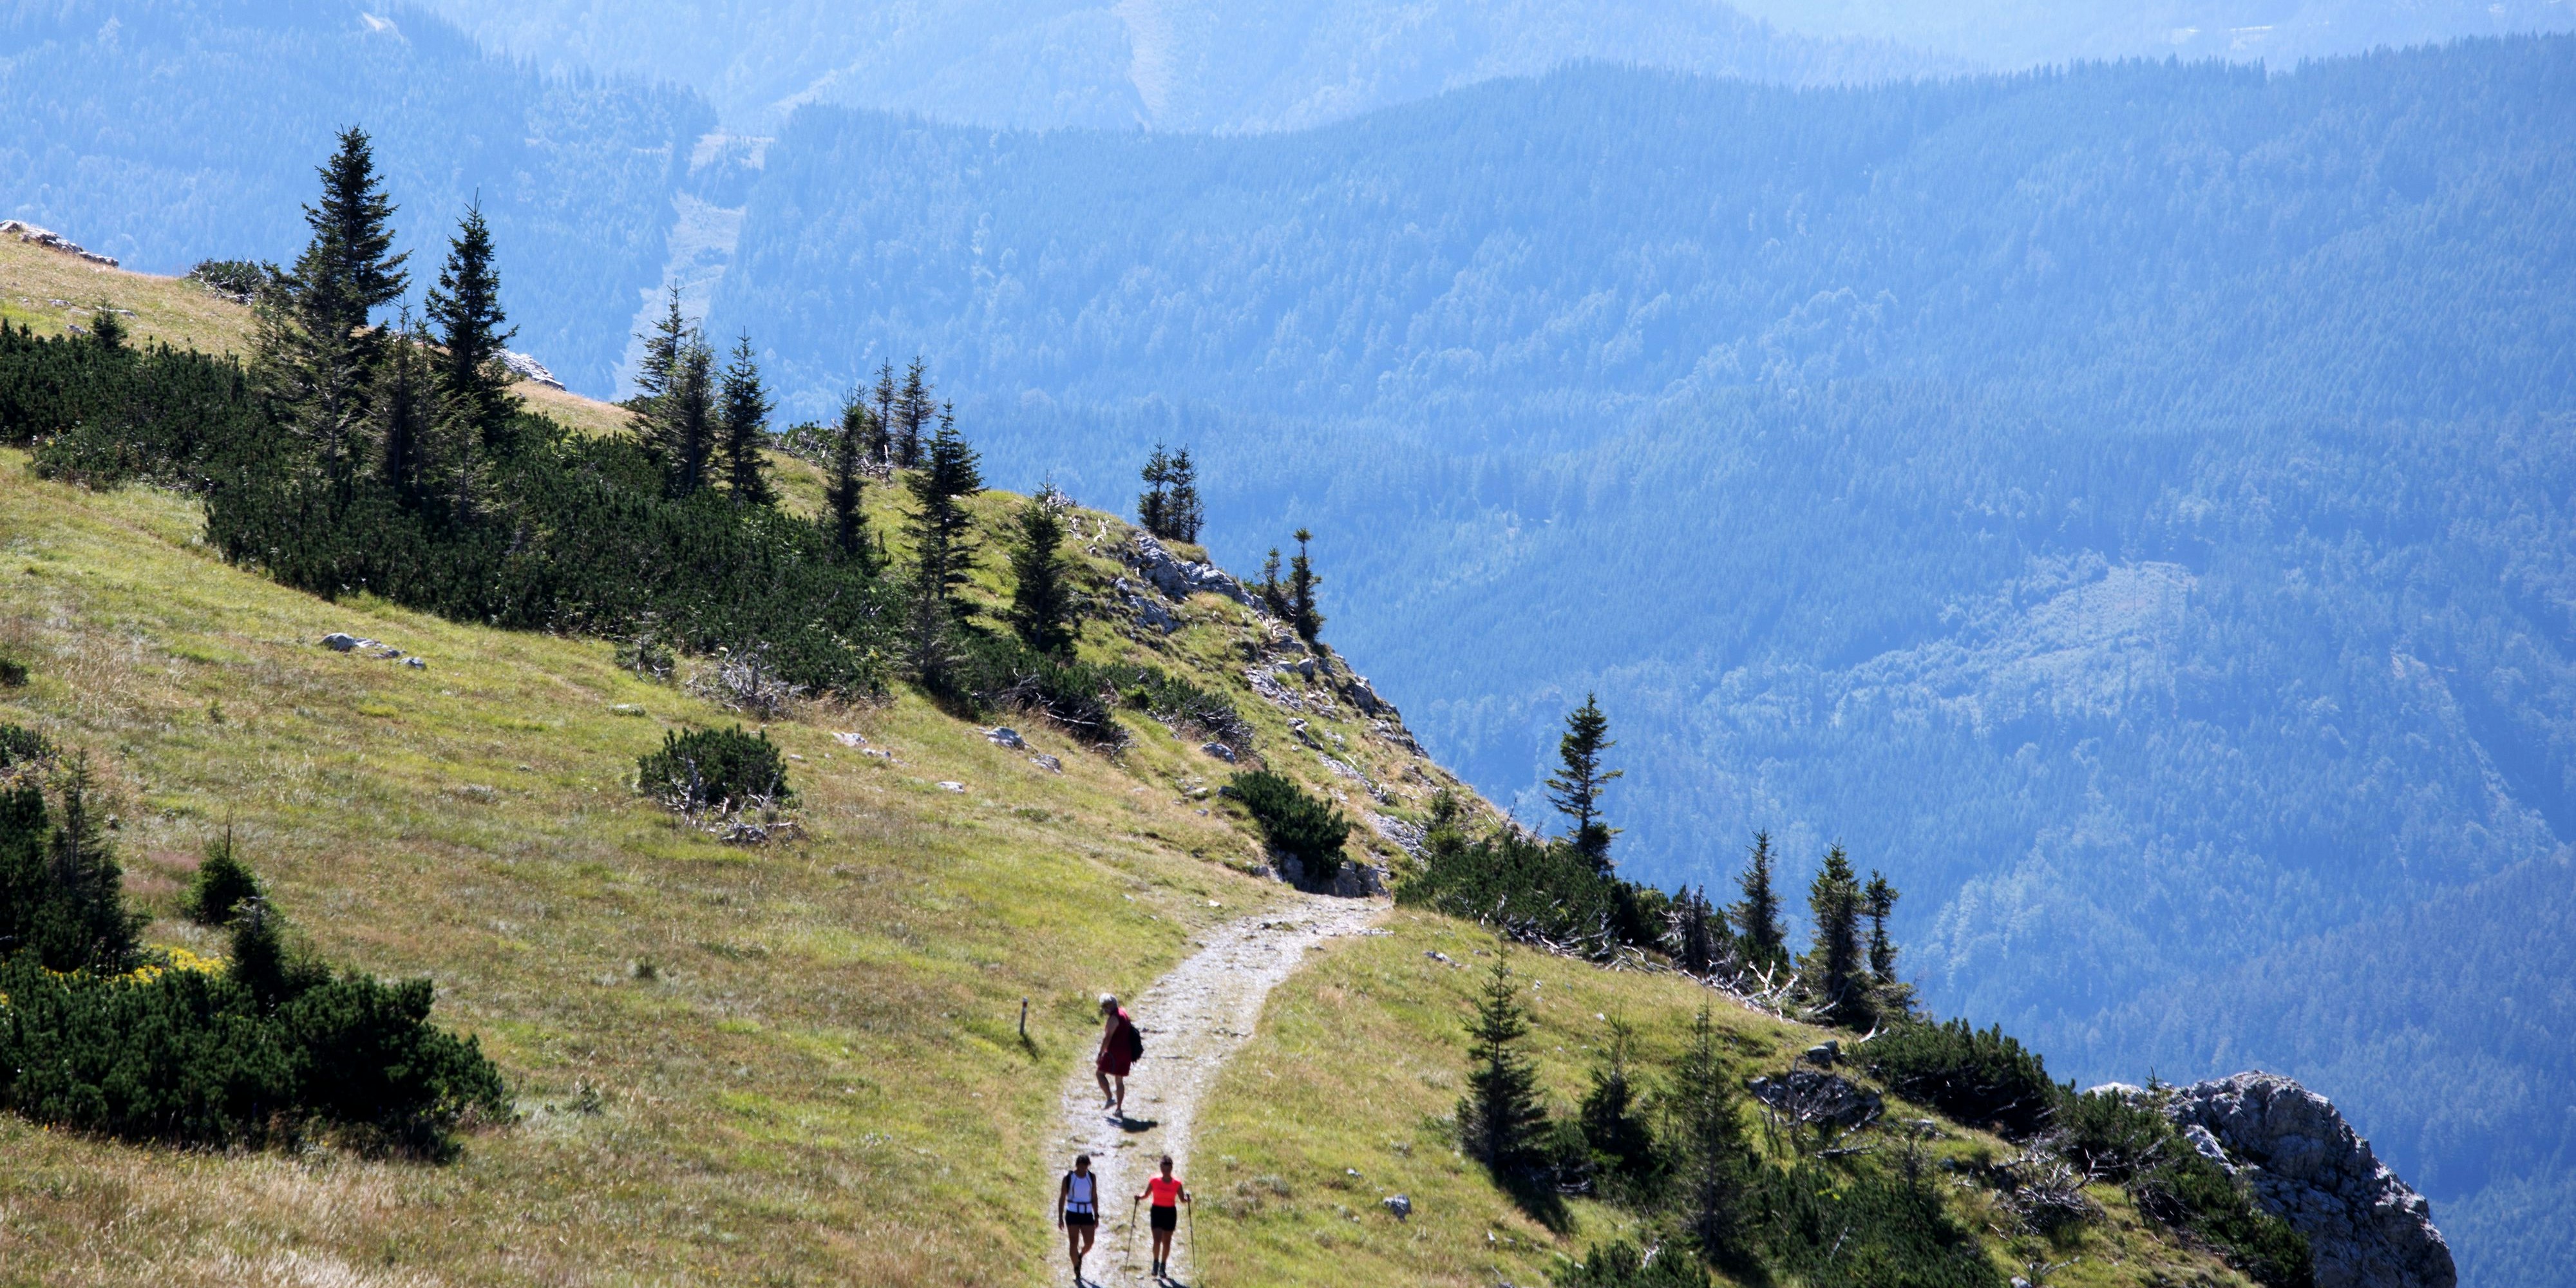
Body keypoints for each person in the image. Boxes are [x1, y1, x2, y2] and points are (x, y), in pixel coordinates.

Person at [1135, 1154, 1191, 1282]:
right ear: (1160, 1168)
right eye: (1164, 1169)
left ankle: (1163, 1266)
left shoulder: (1177, 1183)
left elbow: (1182, 1199)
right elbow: (1146, 1194)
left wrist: (1188, 1200)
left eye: (1168, 1169)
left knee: (1167, 1241)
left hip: (1170, 1212)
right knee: (1157, 1239)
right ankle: (1156, 1263)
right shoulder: (1154, 1180)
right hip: (1157, 1211)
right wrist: (1139, 1196)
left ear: (1171, 1169)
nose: (1166, 1172)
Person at [1057, 1153, 1101, 1283]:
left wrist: (1096, 1215)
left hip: (1087, 1213)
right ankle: (1077, 1269)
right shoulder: (1068, 1178)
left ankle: (1080, 1256)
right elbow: (1062, 1198)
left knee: (1090, 1242)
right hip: (1073, 1213)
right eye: (1081, 1166)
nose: (1083, 1169)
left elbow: (1094, 1196)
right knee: (1073, 1242)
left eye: (1086, 1167)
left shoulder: (1091, 1177)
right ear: (1077, 1165)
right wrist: (1060, 1217)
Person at [1095, 992, 1139, 1116]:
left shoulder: (1114, 1018)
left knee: (1100, 1074)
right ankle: (1119, 1109)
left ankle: (1110, 1099)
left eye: (1106, 1006)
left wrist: (1100, 1054)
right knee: (1119, 1080)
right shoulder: (1123, 1012)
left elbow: (1108, 1037)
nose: (1105, 1009)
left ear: (1111, 1005)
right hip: (1127, 1051)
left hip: (1114, 1052)